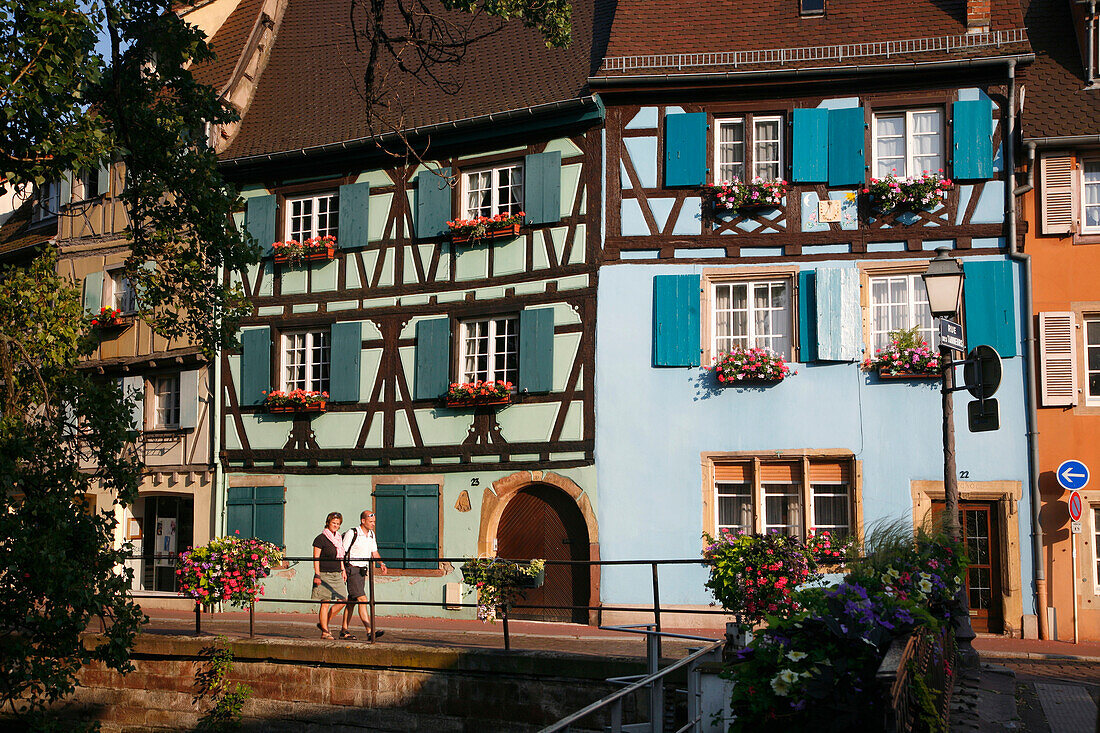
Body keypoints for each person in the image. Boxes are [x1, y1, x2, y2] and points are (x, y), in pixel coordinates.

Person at [341, 509, 388, 639]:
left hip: (363, 571)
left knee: (352, 602)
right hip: (352, 569)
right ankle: (370, 631)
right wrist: (342, 569)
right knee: (363, 599)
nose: (373, 524)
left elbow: (374, 552)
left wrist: (381, 563)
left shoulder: (371, 535)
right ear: (363, 521)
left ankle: (344, 630)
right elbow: (342, 552)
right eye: (371, 521)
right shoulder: (352, 533)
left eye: (374, 522)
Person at [311, 512, 349, 640]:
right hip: (324, 573)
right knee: (325, 603)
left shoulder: (338, 538)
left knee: (344, 600)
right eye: (334, 523)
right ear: (328, 522)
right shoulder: (320, 539)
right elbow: (316, 558)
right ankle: (325, 632)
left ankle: (323, 623)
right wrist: (317, 574)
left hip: (337, 573)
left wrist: (343, 570)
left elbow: (340, 557)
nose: (336, 526)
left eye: (338, 524)